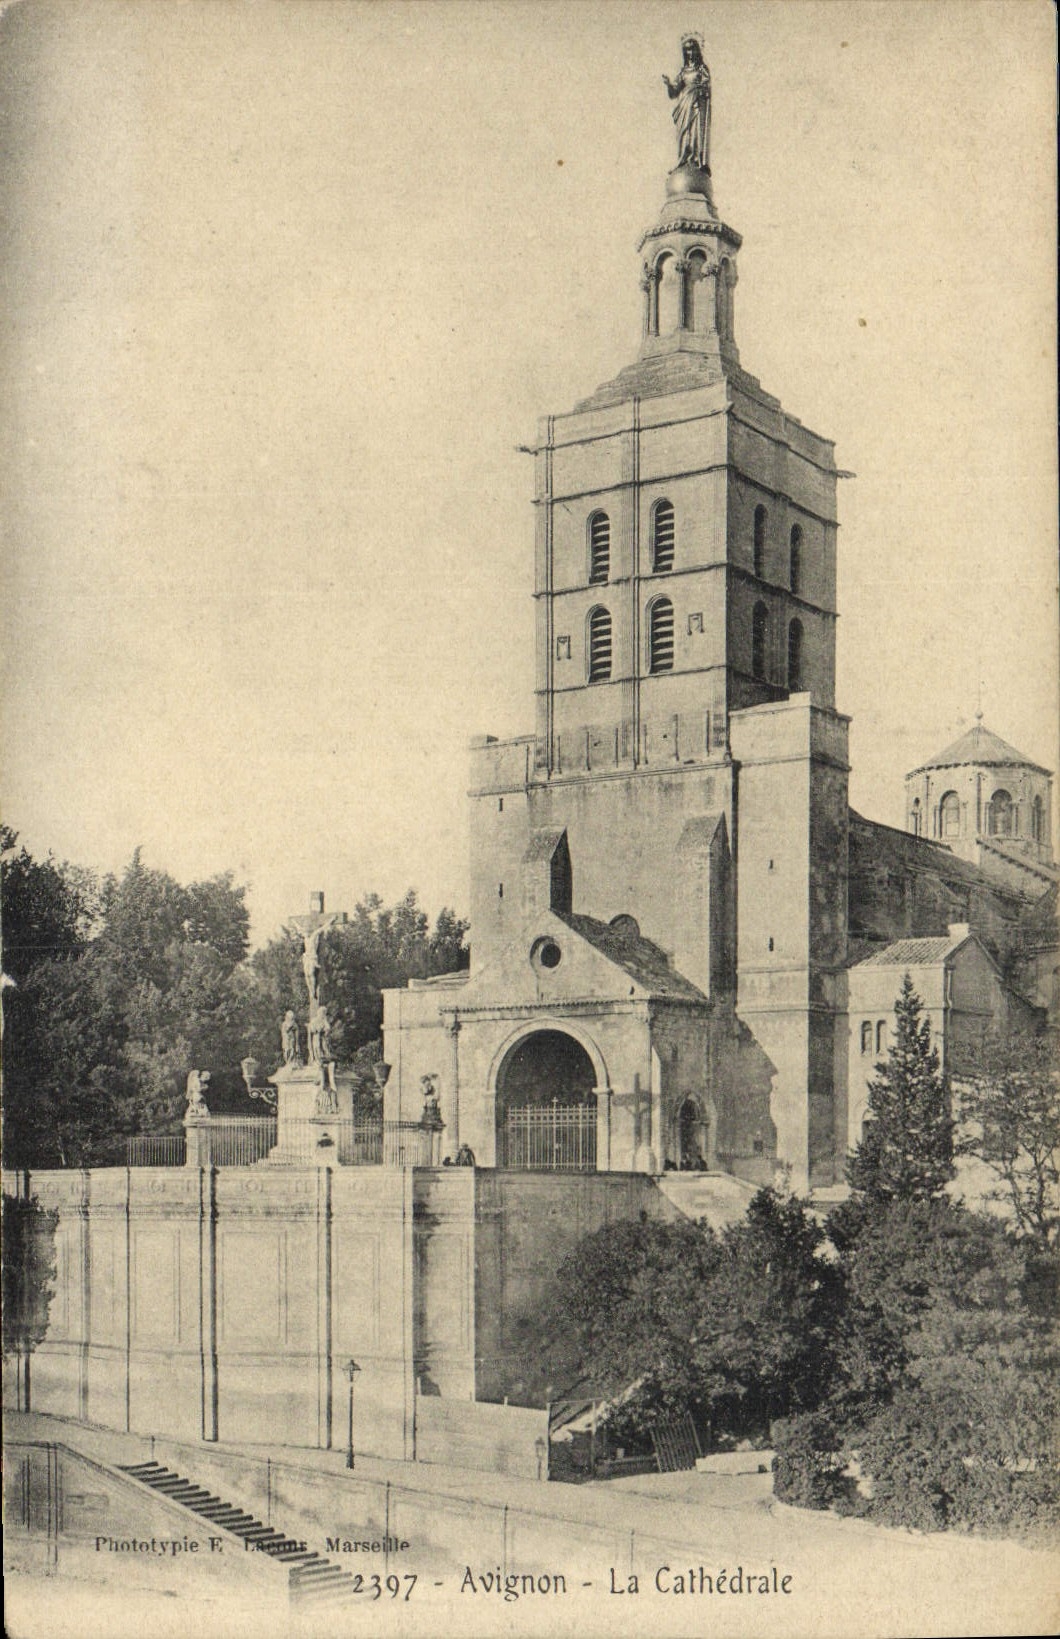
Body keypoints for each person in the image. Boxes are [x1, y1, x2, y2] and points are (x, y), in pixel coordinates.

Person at [662, 35, 711, 173]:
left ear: (697, 50)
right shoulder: (683, 72)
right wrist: (668, 84)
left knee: (695, 132)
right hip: (684, 105)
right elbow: (674, 93)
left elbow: (706, 87)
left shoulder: (701, 69)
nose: (690, 52)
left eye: (692, 49)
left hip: (696, 106)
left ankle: (696, 159)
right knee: (683, 133)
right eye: (687, 50)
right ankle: (683, 159)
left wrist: (698, 90)